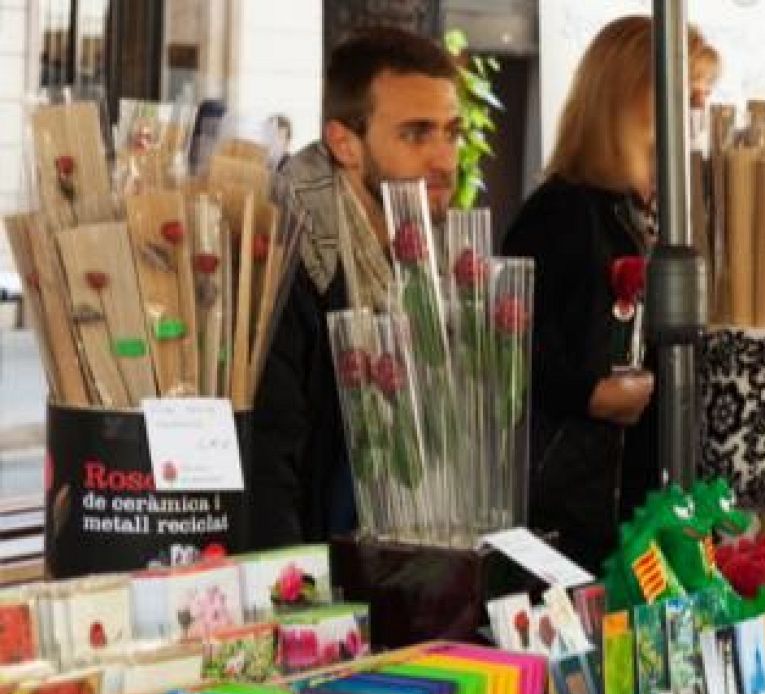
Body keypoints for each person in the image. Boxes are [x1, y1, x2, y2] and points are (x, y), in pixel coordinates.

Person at [500, 17, 719, 572]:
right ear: (633, 98)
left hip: (638, 494)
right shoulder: (562, 212)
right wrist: (589, 392)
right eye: (688, 97)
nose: (698, 116)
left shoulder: (657, 214)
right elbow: (508, 342)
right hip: (569, 505)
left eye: (703, 98)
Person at [250, 28, 461, 548]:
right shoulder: (291, 251)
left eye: (451, 133)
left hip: (396, 561)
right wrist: (300, 603)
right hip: (317, 582)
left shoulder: (419, 252)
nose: (444, 160)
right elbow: (267, 457)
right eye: (416, 134)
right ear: (344, 143)